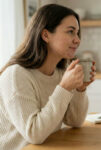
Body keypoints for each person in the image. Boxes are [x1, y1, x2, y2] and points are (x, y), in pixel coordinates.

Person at [0, 4, 95, 150]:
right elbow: (34, 134)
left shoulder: (60, 73)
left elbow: (74, 121)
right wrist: (64, 88)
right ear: (45, 35)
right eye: (70, 32)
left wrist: (79, 89)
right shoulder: (16, 75)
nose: (77, 40)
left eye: (77, 33)